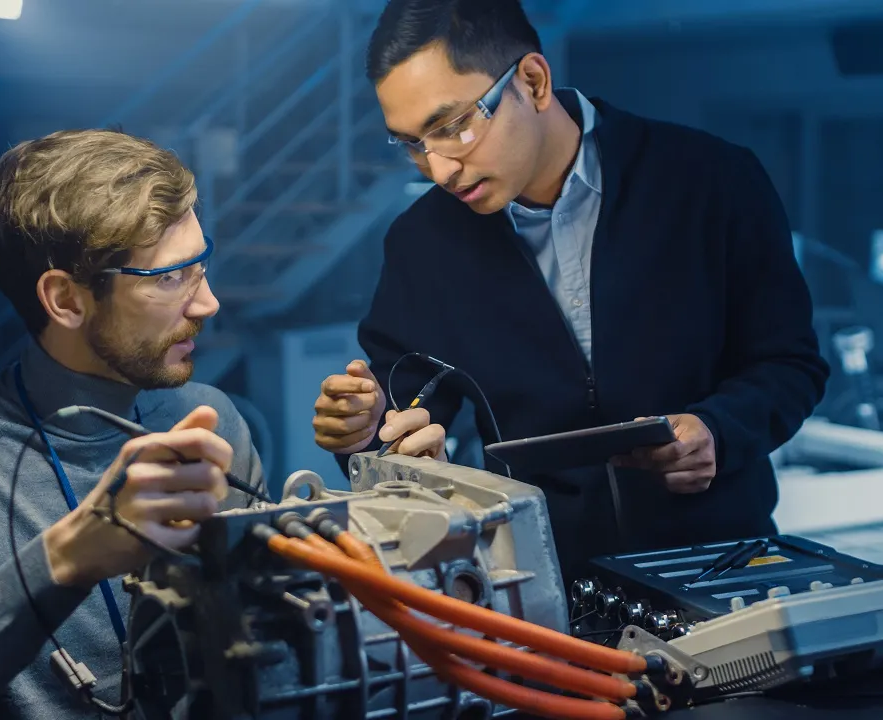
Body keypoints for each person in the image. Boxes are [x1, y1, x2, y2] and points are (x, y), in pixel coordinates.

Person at [312, 0, 829, 582]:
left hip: (719, 562)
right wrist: (365, 426)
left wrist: (720, 430)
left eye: (453, 127)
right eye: (411, 144)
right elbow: (402, 404)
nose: (439, 170)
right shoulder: (422, 242)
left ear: (532, 81)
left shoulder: (712, 182)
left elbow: (789, 363)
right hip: (532, 578)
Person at [0, 129, 266, 719]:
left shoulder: (210, 424)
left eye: (202, 266)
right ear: (65, 300)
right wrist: (66, 559)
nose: (207, 303)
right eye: (171, 277)